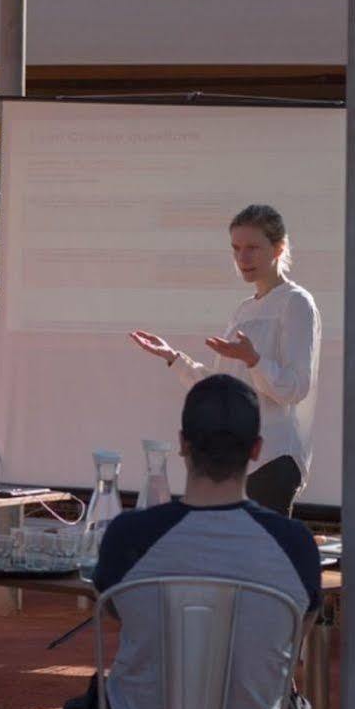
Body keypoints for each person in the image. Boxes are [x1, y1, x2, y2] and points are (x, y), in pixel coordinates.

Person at [41, 373, 321, 709]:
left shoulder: (130, 535)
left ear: (183, 444)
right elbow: (300, 631)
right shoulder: (295, 545)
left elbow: (117, 610)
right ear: (258, 452)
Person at [128, 203, 320, 516]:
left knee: (259, 559)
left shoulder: (296, 303)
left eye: (253, 248)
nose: (243, 258)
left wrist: (255, 360)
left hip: (274, 460)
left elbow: (295, 389)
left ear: (278, 248)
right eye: (236, 248)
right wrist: (174, 358)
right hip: (238, 460)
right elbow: (227, 389)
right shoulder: (244, 309)